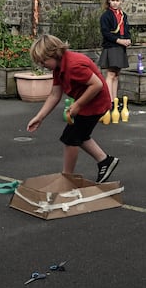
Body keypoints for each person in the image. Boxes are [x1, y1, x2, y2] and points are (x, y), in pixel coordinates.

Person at [26, 34, 120, 183]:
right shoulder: (58, 67)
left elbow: (97, 85)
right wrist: (40, 117)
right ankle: (105, 161)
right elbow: (54, 95)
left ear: (55, 54)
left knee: (71, 138)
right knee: (80, 135)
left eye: (43, 61)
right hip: (87, 102)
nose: (42, 65)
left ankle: (67, 177)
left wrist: (77, 104)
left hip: (96, 103)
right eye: (39, 63)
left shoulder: (74, 65)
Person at [97, 0, 131, 105]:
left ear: (121, 1)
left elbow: (126, 30)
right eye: (113, 0)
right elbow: (106, 33)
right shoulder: (106, 16)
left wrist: (128, 39)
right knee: (110, 74)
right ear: (109, 1)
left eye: (117, 0)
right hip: (111, 46)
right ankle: (108, 100)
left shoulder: (123, 15)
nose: (115, 2)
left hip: (121, 47)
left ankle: (114, 99)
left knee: (116, 75)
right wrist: (119, 40)